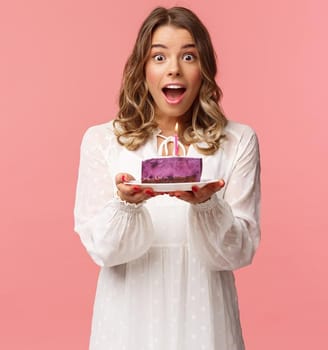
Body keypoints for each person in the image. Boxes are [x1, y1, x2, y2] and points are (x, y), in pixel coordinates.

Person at [73, 6, 260, 349]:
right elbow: (103, 251)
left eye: (188, 56)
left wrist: (208, 205)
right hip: (128, 319)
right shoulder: (102, 141)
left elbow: (238, 253)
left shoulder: (236, 141)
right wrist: (125, 207)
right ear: (142, 68)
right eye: (159, 57)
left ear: (204, 67)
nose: (174, 68)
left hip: (205, 318)